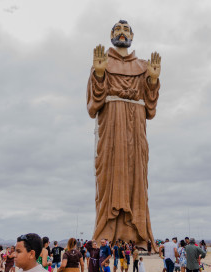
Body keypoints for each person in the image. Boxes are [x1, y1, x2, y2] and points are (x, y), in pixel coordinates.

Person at [87, 20, 161, 248]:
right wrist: (99, 75)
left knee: (136, 176)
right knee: (110, 175)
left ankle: (137, 235)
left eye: (126, 30)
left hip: (136, 125)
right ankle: (107, 233)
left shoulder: (143, 65)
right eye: (117, 30)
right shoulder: (102, 63)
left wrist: (152, 80)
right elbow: (93, 105)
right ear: (111, 35)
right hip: (111, 124)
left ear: (132, 35)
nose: (122, 33)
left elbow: (150, 108)